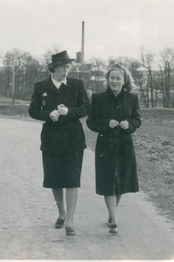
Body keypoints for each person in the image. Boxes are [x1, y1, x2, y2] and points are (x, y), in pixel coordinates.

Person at [29, 50, 91, 236]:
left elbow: (86, 107)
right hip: (51, 140)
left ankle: (70, 221)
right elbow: (33, 110)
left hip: (73, 140)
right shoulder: (41, 86)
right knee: (55, 180)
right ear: (54, 67)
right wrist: (48, 115)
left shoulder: (77, 84)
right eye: (63, 66)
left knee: (72, 180)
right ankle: (62, 213)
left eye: (68, 66)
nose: (66, 69)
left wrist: (68, 112)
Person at [86, 64, 141, 234]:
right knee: (108, 181)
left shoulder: (132, 98)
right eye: (112, 78)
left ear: (124, 81)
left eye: (118, 78)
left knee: (121, 182)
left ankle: (112, 213)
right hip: (105, 145)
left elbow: (137, 121)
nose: (115, 81)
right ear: (107, 79)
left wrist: (129, 124)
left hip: (125, 145)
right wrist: (106, 123)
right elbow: (91, 122)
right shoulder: (98, 98)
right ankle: (114, 219)